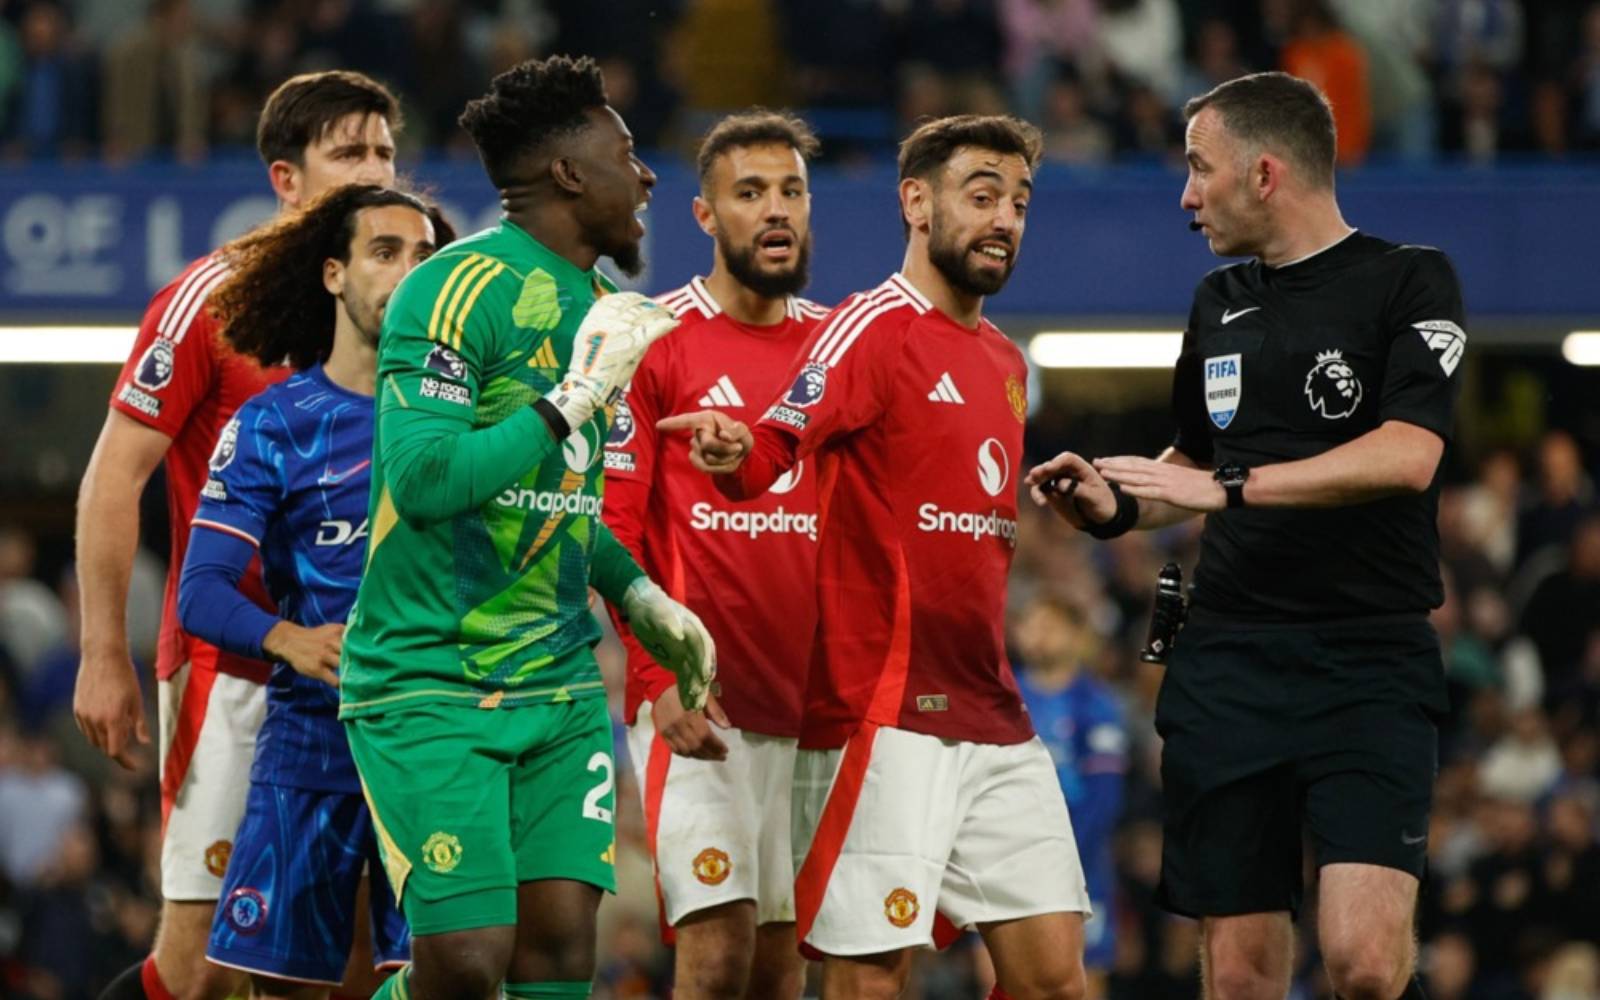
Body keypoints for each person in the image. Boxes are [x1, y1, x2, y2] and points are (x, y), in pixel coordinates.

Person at [1026, 72, 1466, 1000]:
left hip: (1368, 658)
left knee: (1364, 963)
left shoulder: (1409, 279)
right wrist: (1116, 503)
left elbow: (1408, 454)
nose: (1186, 196)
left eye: (1199, 168)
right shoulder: (1217, 300)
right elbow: (1192, 460)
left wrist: (1227, 487)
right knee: (1239, 974)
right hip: (1230, 658)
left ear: (1265, 174)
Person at [661, 114, 1091, 1000]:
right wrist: (731, 450)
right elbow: (772, 447)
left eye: (1019, 203)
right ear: (917, 203)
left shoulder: (1006, 362)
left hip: (993, 712)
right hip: (884, 714)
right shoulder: (871, 326)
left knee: (1056, 976)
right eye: (982, 196)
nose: (1004, 220)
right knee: (871, 977)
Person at [337, 55, 714, 1000]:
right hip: (428, 679)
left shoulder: (603, 309)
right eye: (626, 155)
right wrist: (574, 396)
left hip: (558, 681)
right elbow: (425, 481)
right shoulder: (453, 288)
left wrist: (639, 596)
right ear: (569, 172)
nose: (648, 175)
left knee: (559, 954)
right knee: (466, 963)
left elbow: (560, 503)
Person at [72, 70, 404, 1000]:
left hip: (384, 670)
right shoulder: (211, 301)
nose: (375, 169)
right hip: (238, 667)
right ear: (285, 180)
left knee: (358, 956)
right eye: (349, 152)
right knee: (207, 964)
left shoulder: (419, 306)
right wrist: (104, 654)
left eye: (384, 151)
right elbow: (113, 479)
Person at [175, 185, 451, 998]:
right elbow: (201, 591)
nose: (408, 273)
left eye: (425, 258)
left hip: (439, 746)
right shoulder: (275, 424)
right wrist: (286, 638)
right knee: (281, 987)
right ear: (335, 274)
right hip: (311, 746)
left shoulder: (467, 420)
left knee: (445, 979)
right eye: (385, 252)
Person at [602, 109, 828, 1000]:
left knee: (781, 965)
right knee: (718, 950)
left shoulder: (837, 348)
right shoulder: (653, 338)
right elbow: (614, 530)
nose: (776, 210)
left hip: (815, 703)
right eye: (751, 193)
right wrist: (661, 679)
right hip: (702, 697)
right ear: (704, 215)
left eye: (791, 191)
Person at [1010, 597, 1127, 999]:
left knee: (1082, 978)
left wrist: (1064, 858)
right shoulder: (1002, 697)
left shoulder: (1097, 703)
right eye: (1031, 624)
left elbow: (1105, 797)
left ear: (1078, 637)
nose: (1039, 634)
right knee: (1001, 972)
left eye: (1052, 625)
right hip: (1008, 857)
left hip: (1081, 864)